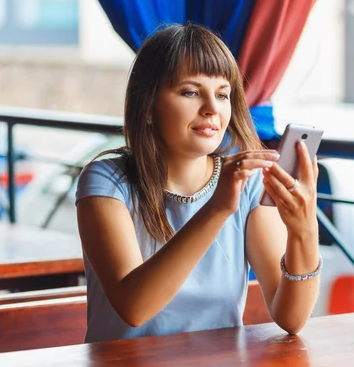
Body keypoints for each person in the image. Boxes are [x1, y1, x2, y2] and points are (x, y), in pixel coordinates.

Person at [75, 23, 321, 343]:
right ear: (148, 106)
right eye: (191, 92)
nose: (212, 109)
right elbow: (133, 307)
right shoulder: (106, 182)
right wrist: (216, 209)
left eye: (222, 94)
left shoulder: (245, 186)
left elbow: (291, 318)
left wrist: (305, 230)